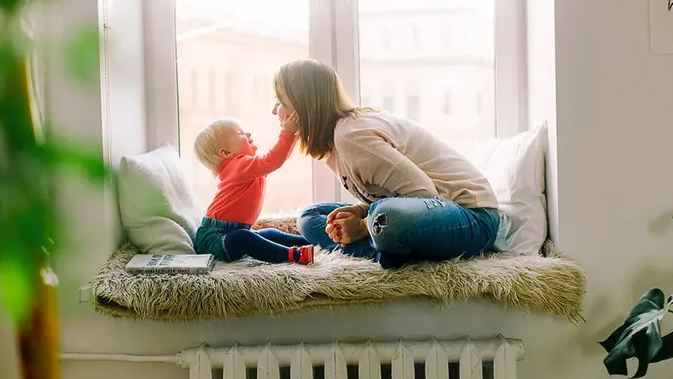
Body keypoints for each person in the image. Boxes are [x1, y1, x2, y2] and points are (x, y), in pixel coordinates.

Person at [272, 59, 500, 269]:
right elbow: (390, 195)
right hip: (422, 213)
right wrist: (360, 210)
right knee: (311, 216)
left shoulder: (351, 136)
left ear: (305, 107)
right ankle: (387, 252)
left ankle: (382, 249)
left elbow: (424, 193)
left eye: (281, 102)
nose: (275, 111)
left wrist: (362, 226)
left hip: (472, 217)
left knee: (385, 217)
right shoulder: (334, 144)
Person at [193, 116, 315, 265]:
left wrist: (294, 136)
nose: (248, 134)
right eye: (240, 134)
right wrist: (287, 133)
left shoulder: (245, 168)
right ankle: (293, 255)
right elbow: (272, 160)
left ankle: (311, 241)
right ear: (225, 153)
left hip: (231, 232)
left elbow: (276, 161)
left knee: (269, 233)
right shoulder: (237, 166)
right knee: (244, 238)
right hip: (213, 238)